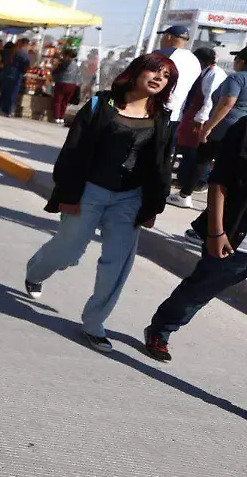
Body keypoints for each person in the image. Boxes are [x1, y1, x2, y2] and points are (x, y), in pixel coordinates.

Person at [23, 53, 176, 353]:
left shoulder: (163, 118)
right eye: (154, 71)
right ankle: (36, 272)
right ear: (136, 73)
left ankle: (94, 322)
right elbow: (73, 150)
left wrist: (152, 207)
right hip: (88, 191)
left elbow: (162, 166)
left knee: (117, 264)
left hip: (130, 199)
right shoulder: (100, 105)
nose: (159, 78)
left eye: (167, 76)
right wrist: (68, 194)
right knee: (68, 252)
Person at [143, 115, 247, 363]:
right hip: (235, 239)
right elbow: (219, 181)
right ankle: (161, 329)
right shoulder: (243, 129)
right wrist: (216, 232)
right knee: (199, 291)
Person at [168, 47, 227, 209]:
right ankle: (184, 182)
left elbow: (210, 99)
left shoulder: (215, 74)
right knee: (187, 150)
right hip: (192, 116)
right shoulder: (206, 72)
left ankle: (196, 184)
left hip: (200, 119)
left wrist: (201, 119)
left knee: (196, 154)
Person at [154, 25, 200, 143]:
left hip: (154, 110)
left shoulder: (162, 54)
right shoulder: (194, 60)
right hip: (176, 114)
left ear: (168, 36)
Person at [0, 38, 31, 116]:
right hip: (16, 75)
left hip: (5, 73)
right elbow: (26, 65)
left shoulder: (7, 51)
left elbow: (1, 61)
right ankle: (7, 111)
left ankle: (0, 108)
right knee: (12, 93)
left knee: (4, 92)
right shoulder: (24, 53)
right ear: (25, 44)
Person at [50, 48, 81, 124]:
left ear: (67, 55)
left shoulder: (64, 64)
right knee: (65, 102)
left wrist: (54, 68)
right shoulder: (76, 65)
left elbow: (55, 72)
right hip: (72, 85)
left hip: (62, 84)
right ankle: (61, 117)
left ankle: (56, 117)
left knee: (58, 101)